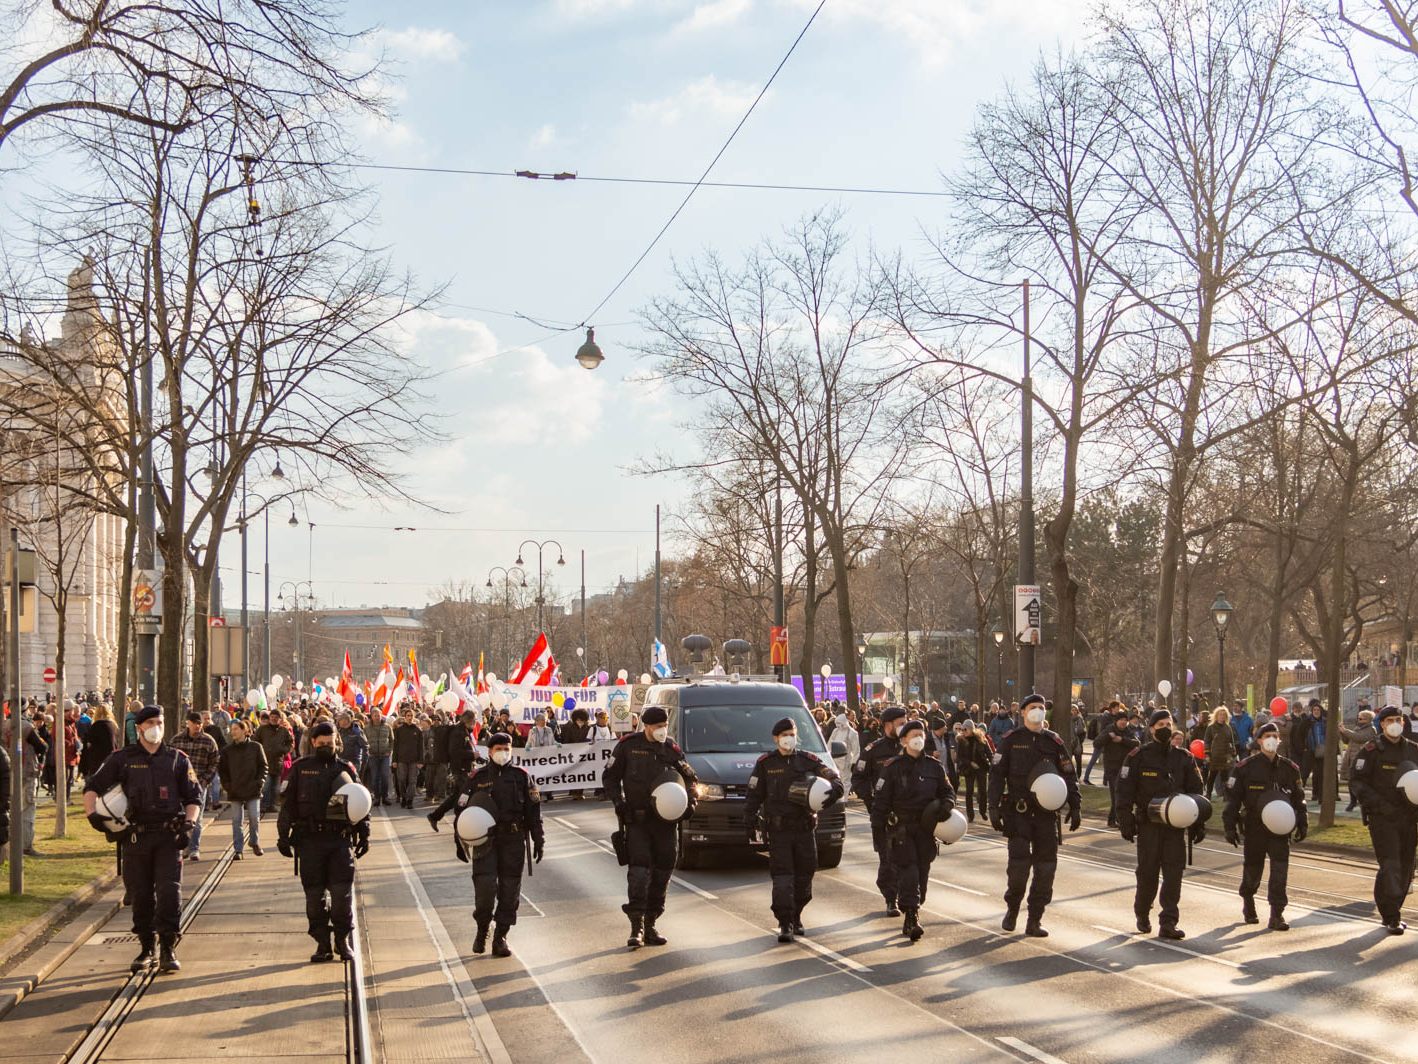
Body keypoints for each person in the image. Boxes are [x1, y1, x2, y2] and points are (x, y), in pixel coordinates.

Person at [83, 705, 202, 973]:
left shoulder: (176, 759)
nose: (155, 727)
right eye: (149, 722)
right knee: (140, 895)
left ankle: (168, 947)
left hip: (168, 837)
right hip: (135, 838)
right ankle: (146, 946)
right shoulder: (121, 759)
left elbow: (194, 796)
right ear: (138, 727)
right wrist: (93, 816)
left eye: (159, 721)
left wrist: (189, 825)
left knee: (170, 891)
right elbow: (92, 787)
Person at [428, 730, 543, 957]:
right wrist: (458, 839)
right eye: (498, 749)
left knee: (510, 892)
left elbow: (534, 810)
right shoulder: (477, 778)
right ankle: (482, 929)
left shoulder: (522, 776)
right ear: (489, 752)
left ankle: (500, 936)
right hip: (485, 842)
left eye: (506, 749)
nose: (503, 753)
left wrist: (538, 838)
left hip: (513, 840)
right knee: (485, 889)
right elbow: (461, 806)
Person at [601, 706, 698, 950]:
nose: (662, 731)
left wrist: (691, 802)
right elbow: (610, 777)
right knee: (640, 873)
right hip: (638, 822)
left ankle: (652, 921)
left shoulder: (671, 748)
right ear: (646, 726)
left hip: (665, 823)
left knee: (663, 872)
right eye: (657, 727)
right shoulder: (628, 746)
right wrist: (618, 802)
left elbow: (690, 778)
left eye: (664, 726)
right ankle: (637, 927)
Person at [988, 693, 1082, 937]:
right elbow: (997, 775)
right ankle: (1012, 909)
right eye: (1032, 707)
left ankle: (1035, 919)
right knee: (1018, 868)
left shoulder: (1054, 742)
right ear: (1022, 712)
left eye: (1041, 707)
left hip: (1046, 815)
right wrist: (993, 806)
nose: (1037, 711)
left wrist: (1075, 804)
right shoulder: (1010, 740)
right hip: (1018, 813)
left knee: (1046, 868)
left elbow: (1068, 774)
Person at [743, 718, 844, 942]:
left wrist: (835, 787)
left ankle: (797, 914)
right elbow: (754, 795)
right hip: (779, 831)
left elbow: (830, 776)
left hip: (805, 828)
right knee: (783, 877)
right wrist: (749, 821)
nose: (789, 738)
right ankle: (785, 922)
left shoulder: (807, 760)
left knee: (805, 875)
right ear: (776, 738)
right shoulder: (766, 763)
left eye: (792, 733)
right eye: (784, 734)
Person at [277, 722, 370, 961]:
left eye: (331, 742)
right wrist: (283, 836)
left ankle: (342, 940)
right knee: (314, 899)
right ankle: (322, 943)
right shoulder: (300, 768)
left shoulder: (345, 768)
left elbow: (360, 801)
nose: (327, 746)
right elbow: (287, 807)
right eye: (322, 742)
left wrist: (364, 833)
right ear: (313, 742)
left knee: (342, 897)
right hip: (309, 841)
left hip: (339, 841)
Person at [1115, 708, 1206, 940]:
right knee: (1148, 873)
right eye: (1160, 725)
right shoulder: (1137, 757)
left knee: (1174, 874)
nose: (1165, 728)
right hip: (1149, 825)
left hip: (1175, 827)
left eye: (1168, 724)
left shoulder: (1183, 757)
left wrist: (1197, 821)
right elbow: (1124, 791)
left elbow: (1197, 790)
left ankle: (1168, 921)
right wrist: (1124, 819)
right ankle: (1143, 912)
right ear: (1151, 728)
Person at [869, 719, 955, 942]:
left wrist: (947, 805)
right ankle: (911, 917)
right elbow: (881, 802)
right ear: (904, 740)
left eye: (921, 734)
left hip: (926, 830)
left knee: (923, 874)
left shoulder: (934, 767)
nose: (918, 738)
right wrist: (878, 831)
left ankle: (915, 906)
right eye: (913, 734)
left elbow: (948, 792)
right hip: (901, 830)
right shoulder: (892, 767)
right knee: (909, 871)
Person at [1222, 720, 1307, 930]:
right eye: (1266, 736)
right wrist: (1229, 825)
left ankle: (1277, 914)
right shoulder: (1245, 768)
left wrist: (1302, 821)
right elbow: (1232, 799)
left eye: (1275, 736)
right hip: (1254, 826)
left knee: (1280, 871)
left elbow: (1299, 797)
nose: (1271, 740)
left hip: (1280, 829)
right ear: (1259, 740)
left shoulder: (1290, 768)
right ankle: (1248, 901)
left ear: (1279, 740)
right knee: (1253, 869)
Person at [1349, 705, 1418, 934]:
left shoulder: (1414, 751)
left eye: (1399, 719)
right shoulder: (1371, 751)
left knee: (1407, 867)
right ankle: (1392, 916)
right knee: (1391, 865)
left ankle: (1391, 907)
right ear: (1382, 724)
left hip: (1409, 818)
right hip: (1383, 818)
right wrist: (1379, 804)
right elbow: (1357, 782)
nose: (1395, 723)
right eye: (1390, 720)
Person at [850, 705, 908, 915]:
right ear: (887, 725)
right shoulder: (873, 750)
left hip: (910, 814)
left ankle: (909, 898)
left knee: (910, 859)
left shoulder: (912, 746)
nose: (904, 726)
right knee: (889, 859)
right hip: (886, 817)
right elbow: (858, 778)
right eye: (900, 723)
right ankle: (891, 898)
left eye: (905, 721)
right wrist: (872, 801)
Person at [170, 712, 219, 861]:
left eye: (199, 723)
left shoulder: (208, 741)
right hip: (179, 786)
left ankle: (194, 848)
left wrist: (205, 780)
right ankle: (183, 846)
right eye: (194, 723)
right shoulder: (177, 740)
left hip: (199, 786)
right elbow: (169, 759)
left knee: (196, 818)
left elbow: (215, 761)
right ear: (187, 723)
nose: (197, 726)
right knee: (181, 816)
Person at [218, 718, 268, 859]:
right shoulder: (227, 751)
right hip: (235, 789)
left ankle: (254, 841)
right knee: (236, 820)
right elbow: (222, 770)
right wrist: (227, 785)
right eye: (231, 729)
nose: (232, 732)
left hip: (253, 788)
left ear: (244, 730)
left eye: (235, 729)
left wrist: (259, 782)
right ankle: (238, 849)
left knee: (254, 817)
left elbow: (263, 766)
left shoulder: (256, 747)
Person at [1101, 703, 1138, 827]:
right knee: (1115, 793)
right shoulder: (1109, 729)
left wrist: (1121, 740)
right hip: (1112, 767)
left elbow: (1136, 743)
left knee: (1122, 793)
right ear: (1116, 721)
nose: (1123, 722)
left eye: (1125, 720)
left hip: (1125, 767)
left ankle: (1114, 818)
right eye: (1121, 720)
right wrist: (1108, 736)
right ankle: (1114, 820)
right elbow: (1097, 742)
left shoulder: (1128, 731)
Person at [255, 710, 293, 813]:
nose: (274, 719)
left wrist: (284, 750)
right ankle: (263, 805)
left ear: (280, 719)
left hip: (278, 762)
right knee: (266, 786)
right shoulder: (262, 729)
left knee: (276, 788)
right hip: (264, 762)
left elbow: (290, 743)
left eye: (276, 717)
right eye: (272, 717)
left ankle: (272, 805)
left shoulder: (284, 731)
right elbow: (255, 741)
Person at [1340, 709, 1377, 813]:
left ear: (1368, 719)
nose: (1359, 720)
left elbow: (1360, 738)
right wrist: (1342, 733)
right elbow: (1347, 740)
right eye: (1358, 718)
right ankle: (1353, 801)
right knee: (1350, 780)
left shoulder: (1371, 729)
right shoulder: (1357, 728)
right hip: (1351, 757)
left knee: (1360, 781)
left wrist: (1346, 731)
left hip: (1361, 759)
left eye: (1361, 718)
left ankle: (1362, 802)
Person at [954, 722, 992, 822]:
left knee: (983, 791)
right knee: (969, 791)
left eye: (965, 729)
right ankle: (970, 815)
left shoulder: (981, 738)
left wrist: (992, 764)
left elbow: (989, 753)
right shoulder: (961, 740)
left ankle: (983, 811)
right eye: (962, 729)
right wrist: (970, 763)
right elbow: (960, 757)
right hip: (969, 769)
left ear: (971, 729)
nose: (963, 731)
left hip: (981, 767)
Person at [392, 706, 423, 808]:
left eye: (411, 716)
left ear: (413, 717)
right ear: (404, 717)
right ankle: (403, 797)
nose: (409, 717)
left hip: (414, 760)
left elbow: (420, 747)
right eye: (408, 716)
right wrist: (394, 760)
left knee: (412, 781)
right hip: (401, 760)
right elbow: (395, 746)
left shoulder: (418, 730)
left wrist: (420, 761)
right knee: (401, 780)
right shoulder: (399, 730)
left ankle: (410, 800)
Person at [1203, 706, 1237, 798]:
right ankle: (1208, 794)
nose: (1222, 716)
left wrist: (1233, 754)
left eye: (1224, 715)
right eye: (1220, 715)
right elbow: (1207, 741)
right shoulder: (1211, 728)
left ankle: (1226, 795)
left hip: (1225, 756)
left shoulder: (1228, 727)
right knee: (1212, 777)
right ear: (1216, 716)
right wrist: (1207, 754)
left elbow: (1232, 741)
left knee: (1225, 777)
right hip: (1214, 756)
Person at [365, 710, 393, 805]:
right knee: (375, 777)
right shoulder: (367, 728)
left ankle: (385, 797)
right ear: (372, 716)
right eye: (375, 715)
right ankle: (377, 798)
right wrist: (368, 751)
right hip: (373, 756)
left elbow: (392, 740)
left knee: (385, 776)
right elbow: (364, 741)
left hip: (384, 755)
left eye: (378, 715)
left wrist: (389, 751)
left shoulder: (387, 727)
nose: (377, 717)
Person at [828, 711, 859, 782]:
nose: (838, 725)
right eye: (837, 723)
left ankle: (845, 793)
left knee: (846, 780)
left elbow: (856, 749)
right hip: (834, 760)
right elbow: (829, 744)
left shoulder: (852, 733)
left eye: (840, 723)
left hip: (846, 761)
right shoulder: (835, 731)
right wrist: (827, 756)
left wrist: (854, 762)